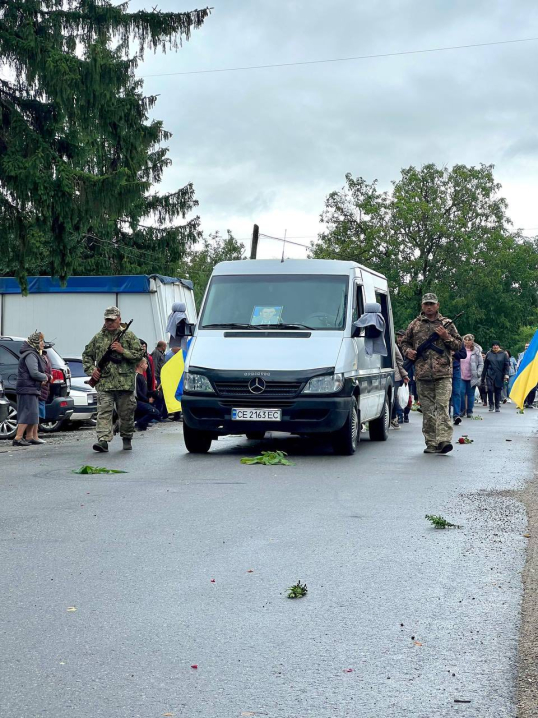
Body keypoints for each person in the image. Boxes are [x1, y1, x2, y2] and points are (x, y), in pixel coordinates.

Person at [400, 293, 462, 454]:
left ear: (437, 305)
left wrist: (446, 337)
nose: (429, 307)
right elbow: (404, 342)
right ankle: (431, 442)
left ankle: (444, 440)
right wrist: (408, 351)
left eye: (432, 304)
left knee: (442, 406)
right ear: (422, 306)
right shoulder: (415, 324)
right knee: (428, 410)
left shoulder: (446, 323)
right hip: (422, 373)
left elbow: (458, 345)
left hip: (443, 373)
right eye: (426, 304)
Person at [82, 306, 144, 452]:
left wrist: (123, 351)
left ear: (119, 319)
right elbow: (86, 355)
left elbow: (139, 355)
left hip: (124, 384)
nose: (109, 323)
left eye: (112, 320)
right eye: (107, 320)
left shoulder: (128, 336)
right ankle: (103, 440)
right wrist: (92, 371)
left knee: (126, 413)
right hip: (104, 383)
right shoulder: (98, 338)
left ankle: (127, 437)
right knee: (103, 412)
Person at [13, 332, 48, 447]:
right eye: (41, 341)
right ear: (35, 342)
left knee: (33, 413)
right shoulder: (30, 355)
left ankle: (30, 437)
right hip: (27, 388)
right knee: (27, 412)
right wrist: (45, 377)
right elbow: (34, 372)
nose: (43, 344)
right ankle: (18, 438)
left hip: (32, 387)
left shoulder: (34, 353)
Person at [459, 334, 484, 418]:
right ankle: (462, 410)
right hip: (461, 375)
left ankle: (470, 411)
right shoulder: (460, 349)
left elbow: (481, 363)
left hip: (472, 376)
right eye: (465, 340)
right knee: (461, 393)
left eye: (469, 340)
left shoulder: (476, 351)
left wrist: (478, 372)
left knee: (470, 394)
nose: (467, 342)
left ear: (472, 341)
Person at [482, 341, 510, 412]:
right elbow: (485, 365)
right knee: (490, 389)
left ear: (499, 346)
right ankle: (491, 405)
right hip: (490, 374)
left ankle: (497, 406)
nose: (495, 346)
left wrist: (506, 374)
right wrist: (483, 375)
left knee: (498, 390)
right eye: (494, 345)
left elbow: (506, 365)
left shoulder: (503, 354)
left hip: (499, 374)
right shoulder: (489, 353)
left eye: (497, 345)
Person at [135, 358, 161, 430]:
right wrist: (147, 400)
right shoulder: (136, 376)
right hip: (137, 402)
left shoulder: (142, 377)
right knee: (155, 412)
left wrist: (154, 393)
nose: (147, 365)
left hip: (143, 401)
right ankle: (138, 423)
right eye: (146, 364)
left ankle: (141, 424)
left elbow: (145, 391)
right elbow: (137, 392)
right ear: (141, 365)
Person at [391, 345, 409, 429]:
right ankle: (395, 416)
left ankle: (396, 416)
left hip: (395, 376)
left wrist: (404, 375)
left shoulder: (392, 344)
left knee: (393, 397)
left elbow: (399, 360)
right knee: (392, 398)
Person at [450, 344, 467, 425]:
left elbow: (464, 355)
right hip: (442, 370)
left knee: (456, 392)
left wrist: (454, 353)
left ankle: (456, 415)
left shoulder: (457, 340)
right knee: (445, 393)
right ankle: (445, 415)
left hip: (455, 368)